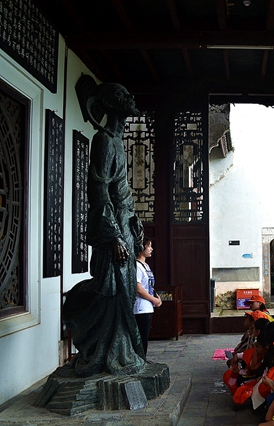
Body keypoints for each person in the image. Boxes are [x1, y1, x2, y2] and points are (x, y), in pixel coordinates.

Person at [63, 83, 147, 377]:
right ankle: (103, 350)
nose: (130, 98)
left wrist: (133, 223)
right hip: (114, 228)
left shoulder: (117, 142)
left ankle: (122, 350)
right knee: (112, 291)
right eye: (122, 95)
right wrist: (113, 235)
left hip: (124, 223)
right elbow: (99, 189)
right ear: (110, 104)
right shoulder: (103, 140)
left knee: (125, 292)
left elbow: (120, 190)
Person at [134, 237, 162, 357]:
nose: (151, 249)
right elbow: (138, 289)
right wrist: (153, 299)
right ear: (141, 248)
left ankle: (143, 360)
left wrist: (157, 298)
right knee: (141, 339)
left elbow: (149, 285)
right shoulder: (136, 266)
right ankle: (141, 360)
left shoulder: (145, 265)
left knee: (145, 338)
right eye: (148, 246)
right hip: (140, 308)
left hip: (148, 307)